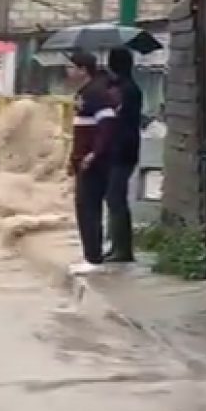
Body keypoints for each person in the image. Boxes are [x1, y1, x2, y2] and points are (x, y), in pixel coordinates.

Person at [66, 51, 118, 275]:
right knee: (85, 207)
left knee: (88, 208)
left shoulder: (96, 93)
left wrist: (93, 154)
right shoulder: (86, 92)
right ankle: (92, 254)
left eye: (71, 67)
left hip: (94, 162)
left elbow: (107, 125)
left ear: (82, 70)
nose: (67, 72)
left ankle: (93, 258)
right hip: (84, 159)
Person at [104, 47, 143, 263]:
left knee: (115, 198)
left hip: (122, 150)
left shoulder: (126, 90)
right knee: (114, 198)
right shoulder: (128, 87)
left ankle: (123, 249)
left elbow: (118, 117)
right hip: (123, 149)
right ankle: (117, 246)